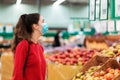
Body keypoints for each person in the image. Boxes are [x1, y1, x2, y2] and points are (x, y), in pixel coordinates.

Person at [11, 13, 48, 80]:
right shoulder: (24, 45)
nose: (45, 24)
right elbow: (17, 74)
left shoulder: (40, 47)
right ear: (35, 26)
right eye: (42, 21)